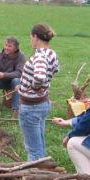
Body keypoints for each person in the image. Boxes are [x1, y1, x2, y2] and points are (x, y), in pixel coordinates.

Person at [18, 24, 60, 161]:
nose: (31, 40)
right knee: (39, 143)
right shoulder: (51, 53)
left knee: (33, 149)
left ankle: (35, 173)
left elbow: (39, 77)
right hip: (42, 104)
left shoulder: (40, 56)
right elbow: (54, 70)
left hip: (31, 108)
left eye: (31, 37)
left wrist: (35, 87)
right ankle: (44, 169)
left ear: (36, 37)